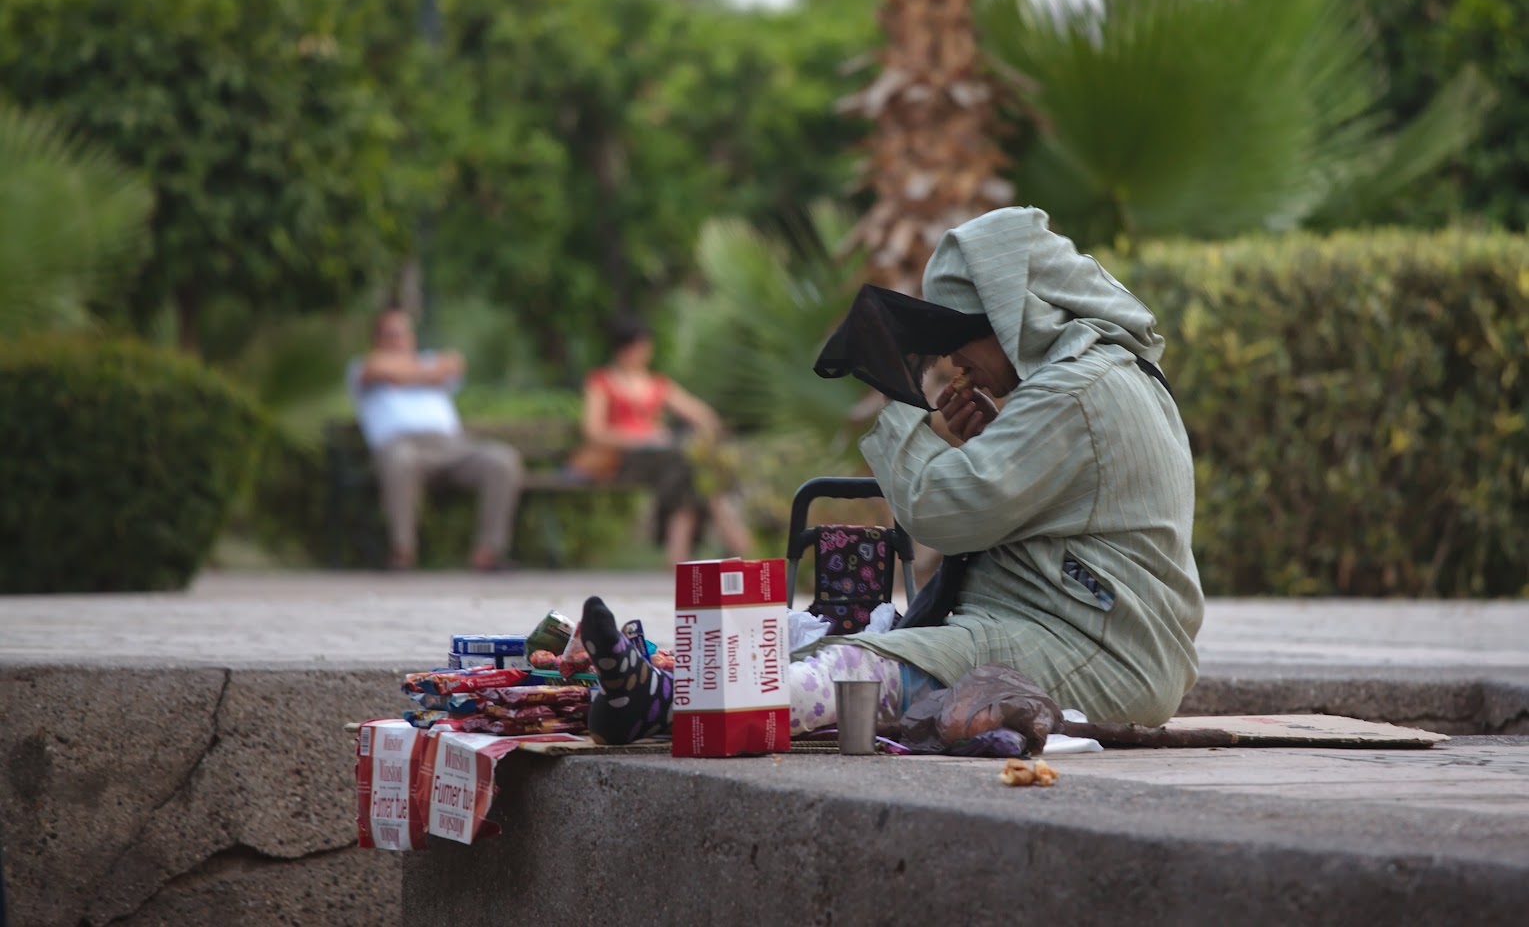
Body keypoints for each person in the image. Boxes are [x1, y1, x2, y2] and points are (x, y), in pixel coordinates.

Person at [577, 207, 1204, 745]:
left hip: (1100, 649)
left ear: (1017, 316)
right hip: (1073, 629)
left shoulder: (1078, 389)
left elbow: (942, 513)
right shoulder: (1097, 376)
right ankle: (669, 683)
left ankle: (679, 705)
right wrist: (971, 439)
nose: (957, 363)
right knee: (856, 642)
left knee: (869, 672)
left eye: (962, 339)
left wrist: (904, 409)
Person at [350, 307, 525, 572]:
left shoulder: (430, 359)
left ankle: (489, 553)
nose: (398, 340)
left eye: (403, 334)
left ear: (412, 338)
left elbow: (454, 362)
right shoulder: (360, 366)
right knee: (399, 460)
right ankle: (403, 552)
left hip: (451, 447)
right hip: (402, 446)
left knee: (502, 460)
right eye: (391, 335)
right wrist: (425, 375)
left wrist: (403, 375)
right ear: (378, 340)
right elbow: (376, 369)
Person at [571, 316, 752, 567]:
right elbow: (593, 431)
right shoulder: (602, 382)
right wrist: (640, 438)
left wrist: (709, 436)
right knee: (687, 462)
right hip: (621, 458)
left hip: (666, 461)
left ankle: (681, 553)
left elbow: (701, 415)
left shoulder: (656, 384)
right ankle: (732, 536)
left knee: (691, 463)